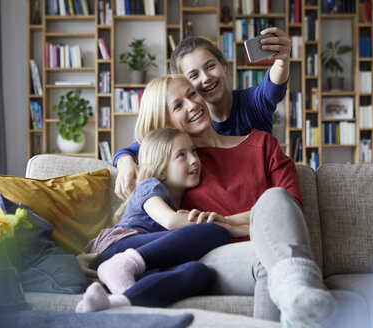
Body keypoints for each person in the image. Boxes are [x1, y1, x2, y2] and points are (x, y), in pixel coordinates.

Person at [127, 74, 336, 328]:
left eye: (192, 94)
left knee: (276, 199)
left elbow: (289, 210)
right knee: (267, 260)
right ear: (165, 123)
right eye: (178, 105)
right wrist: (124, 158)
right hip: (215, 257)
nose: (192, 105)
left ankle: (297, 292)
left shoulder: (263, 145)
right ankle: (299, 291)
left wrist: (225, 223)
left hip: (275, 249)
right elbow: (149, 157)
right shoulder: (180, 165)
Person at [113, 27, 292, 200]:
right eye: (194, 76)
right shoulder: (185, 129)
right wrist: (125, 162)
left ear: (223, 65)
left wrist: (282, 61)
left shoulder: (252, 103)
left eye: (210, 66)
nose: (206, 78)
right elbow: (140, 145)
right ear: (184, 82)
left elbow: (272, 87)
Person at [75, 128, 232, 313]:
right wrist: (230, 227)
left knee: (198, 272)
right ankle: (120, 266)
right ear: (162, 169)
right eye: (181, 155)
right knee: (215, 232)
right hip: (115, 248)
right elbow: (171, 221)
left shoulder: (179, 204)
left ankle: (120, 302)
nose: (193, 160)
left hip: (136, 265)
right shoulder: (149, 186)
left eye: (194, 151)